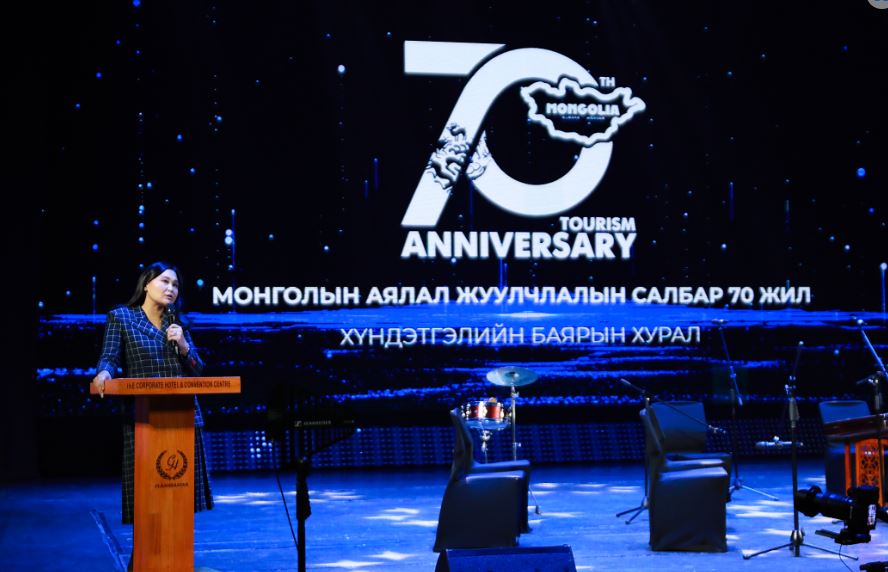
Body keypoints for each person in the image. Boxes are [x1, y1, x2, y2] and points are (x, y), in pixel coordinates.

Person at [91, 261, 214, 536]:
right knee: (148, 502)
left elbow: (198, 369)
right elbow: (109, 357)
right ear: (146, 284)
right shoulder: (122, 317)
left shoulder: (177, 324)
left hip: (183, 418)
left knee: (179, 499)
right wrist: (103, 373)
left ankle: (175, 554)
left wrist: (184, 346)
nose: (171, 289)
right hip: (144, 418)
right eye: (165, 281)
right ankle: (145, 556)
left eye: (176, 285)